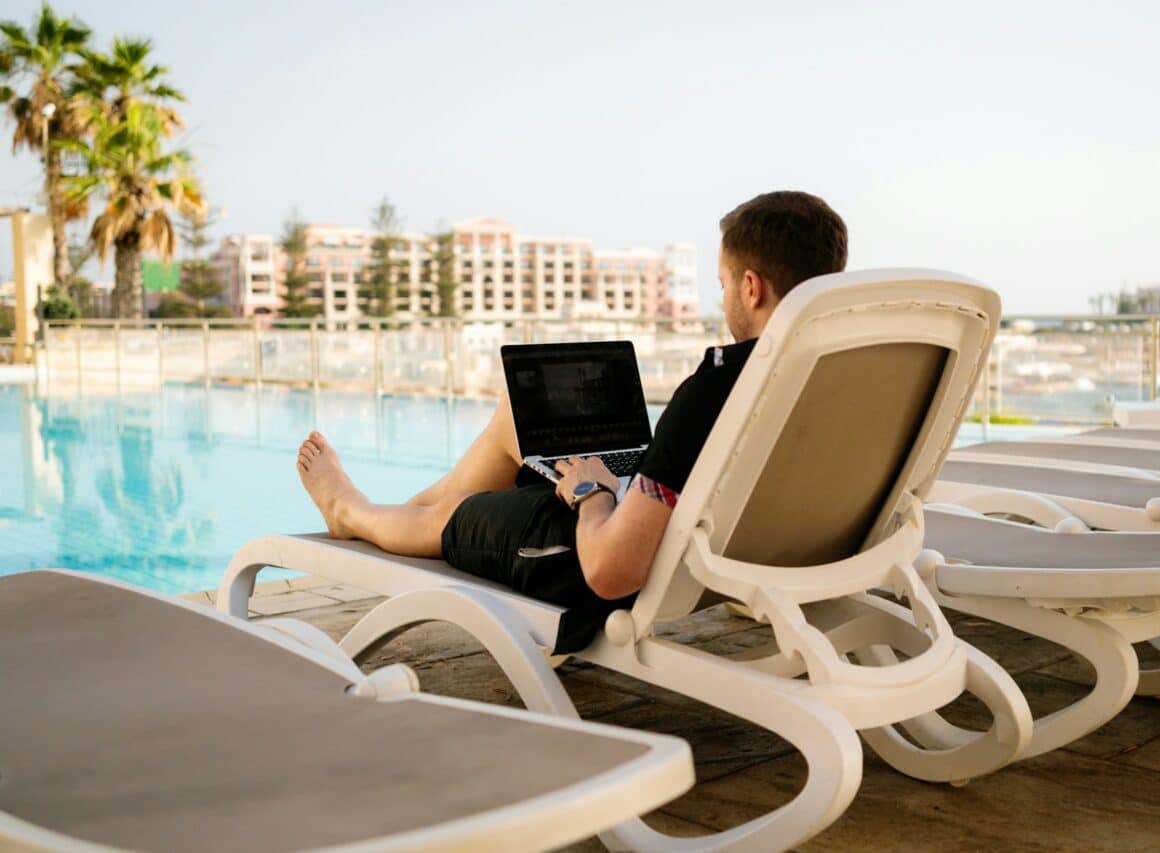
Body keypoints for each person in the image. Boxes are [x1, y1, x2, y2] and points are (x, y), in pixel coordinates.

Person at [296, 190, 848, 651]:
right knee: (517, 419)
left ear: (752, 287)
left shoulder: (717, 388)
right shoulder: (845, 378)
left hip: (599, 561)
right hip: (739, 547)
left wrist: (593, 492)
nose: (723, 297)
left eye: (724, 284)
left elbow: (611, 570)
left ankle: (355, 512)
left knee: (461, 514)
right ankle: (407, 515)